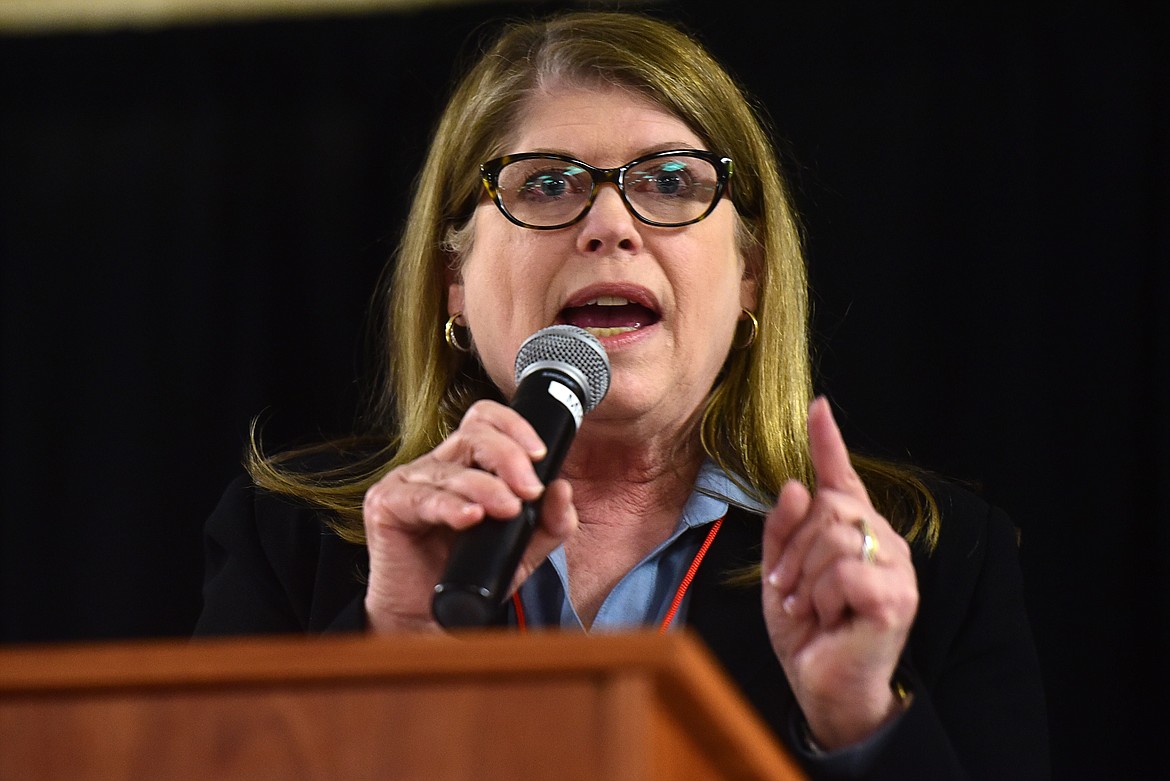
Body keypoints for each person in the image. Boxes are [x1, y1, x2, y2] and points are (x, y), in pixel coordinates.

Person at [194, 10, 1050, 779]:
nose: (611, 225)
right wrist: (397, 647)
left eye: (671, 182)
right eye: (547, 184)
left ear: (749, 275)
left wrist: (860, 719)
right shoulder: (289, 540)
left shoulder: (928, 561)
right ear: (453, 279)